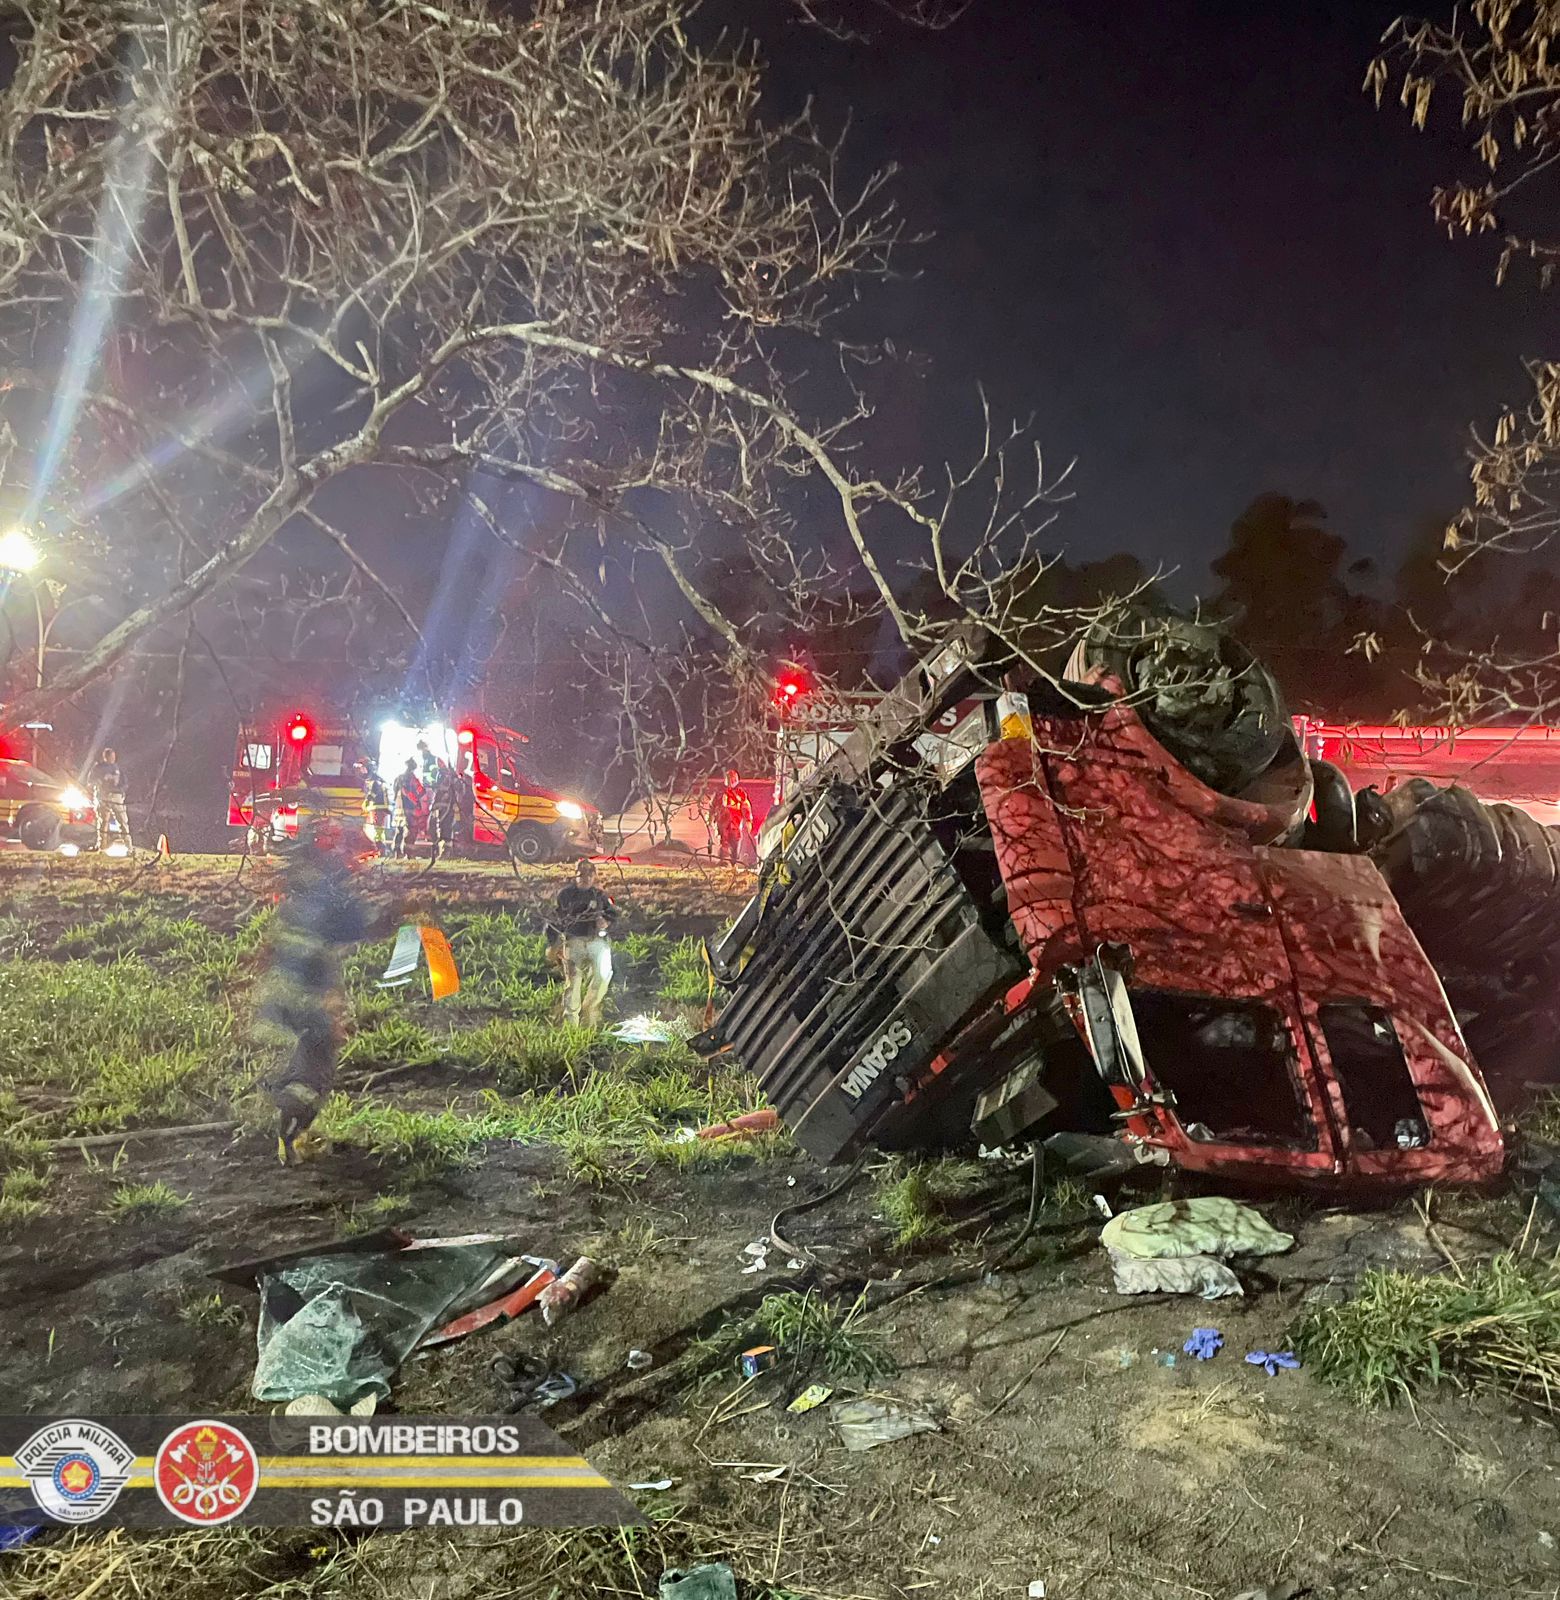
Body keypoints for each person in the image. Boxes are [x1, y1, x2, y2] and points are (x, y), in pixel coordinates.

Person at [256, 819, 374, 1163]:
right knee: (316, 1075)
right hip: (308, 1000)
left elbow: (272, 947)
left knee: (301, 1061)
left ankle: (278, 1109)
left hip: (278, 995)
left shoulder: (300, 896)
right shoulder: (336, 900)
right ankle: (288, 1127)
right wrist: (409, 913)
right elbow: (366, 926)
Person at [554, 858, 618, 1027]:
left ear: (594, 875)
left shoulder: (599, 895)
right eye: (582, 874)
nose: (586, 878)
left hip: (597, 942)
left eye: (590, 874)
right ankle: (571, 1026)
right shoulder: (566, 895)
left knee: (603, 976)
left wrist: (605, 921)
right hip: (574, 942)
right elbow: (558, 918)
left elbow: (613, 914)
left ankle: (590, 1015)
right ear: (575, 875)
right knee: (573, 983)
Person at [89, 746, 132, 853]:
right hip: (103, 796)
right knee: (103, 822)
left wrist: (121, 790)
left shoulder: (119, 768)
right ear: (105, 757)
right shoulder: (98, 768)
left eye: (113, 756)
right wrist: (100, 781)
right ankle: (101, 846)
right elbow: (91, 781)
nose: (112, 758)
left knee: (122, 821)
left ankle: (128, 847)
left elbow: (125, 782)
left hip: (116, 797)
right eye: (110, 756)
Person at [391, 758, 426, 859]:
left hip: (398, 809)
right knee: (411, 831)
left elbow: (395, 792)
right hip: (409, 809)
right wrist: (416, 803)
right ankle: (408, 853)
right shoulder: (412, 779)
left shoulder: (398, 778)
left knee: (399, 830)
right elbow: (421, 791)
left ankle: (397, 853)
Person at [716, 769, 753, 865]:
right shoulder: (720, 792)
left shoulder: (740, 793)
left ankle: (733, 862)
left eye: (733, 780)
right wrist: (711, 817)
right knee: (724, 841)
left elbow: (746, 806)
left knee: (735, 843)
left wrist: (748, 820)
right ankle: (723, 861)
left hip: (735, 823)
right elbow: (714, 805)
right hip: (723, 821)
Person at [430, 758, 459, 857]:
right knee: (442, 828)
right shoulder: (443, 775)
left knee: (446, 829)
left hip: (448, 807)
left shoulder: (449, 776)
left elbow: (457, 789)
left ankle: (446, 852)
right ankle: (443, 851)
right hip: (443, 807)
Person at [362, 764, 390, 856]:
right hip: (381, 809)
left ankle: (380, 849)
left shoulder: (374, 782)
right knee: (379, 829)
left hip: (376, 808)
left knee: (376, 829)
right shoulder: (379, 781)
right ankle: (381, 849)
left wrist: (366, 802)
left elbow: (372, 794)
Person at [455, 749, 477, 845]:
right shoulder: (466, 777)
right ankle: (464, 841)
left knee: (466, 822)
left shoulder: (467, 776)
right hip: (465, 803)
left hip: (467, 803)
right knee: (464, 822)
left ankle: (466, 841)